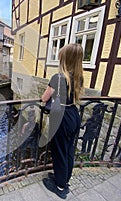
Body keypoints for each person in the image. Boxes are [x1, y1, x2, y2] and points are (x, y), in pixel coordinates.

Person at [41, 43, 84, 199]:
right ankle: (64, 179)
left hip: (62, 117)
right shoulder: (78, 76)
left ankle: (60, 187)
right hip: (73, 114)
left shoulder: (58, 77)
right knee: (68, 151)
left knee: (59, 152)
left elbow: (44, 98)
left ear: (65, 58)